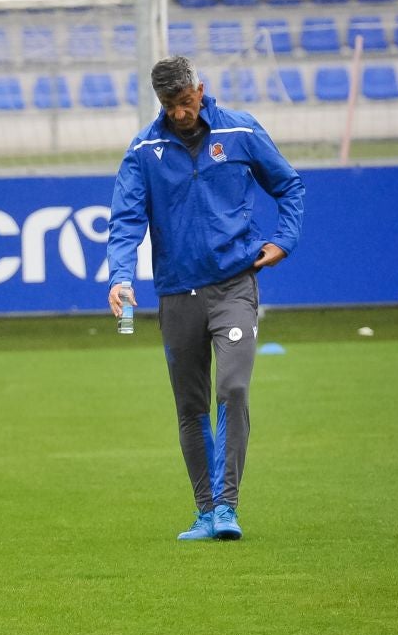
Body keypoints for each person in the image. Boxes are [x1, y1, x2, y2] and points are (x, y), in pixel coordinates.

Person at [106, 55, 304, 542]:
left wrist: (285, 239)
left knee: (233, 389)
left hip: (234, 285)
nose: (179, 113)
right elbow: (126, 219)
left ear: (201, 89)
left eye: (185, 101)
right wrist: (120, 276)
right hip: (177, 295)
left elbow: (289, 185)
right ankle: (205, 510)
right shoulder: (144, 149)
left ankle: (228, 507)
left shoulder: (240, 132)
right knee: (190, 407)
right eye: (169, 105)